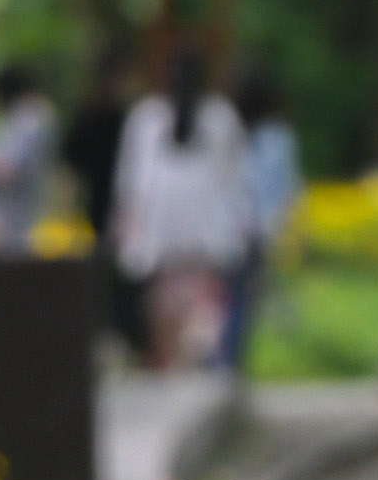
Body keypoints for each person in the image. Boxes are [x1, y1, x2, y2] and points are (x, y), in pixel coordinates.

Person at [114, 49, 253, 370]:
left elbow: (131, 181)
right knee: (202, 302)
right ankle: (195, 362)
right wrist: (241, 226)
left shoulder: (146, 116)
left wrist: (125, 229)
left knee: (163, 304)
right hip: (208, 230)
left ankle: (167, 365)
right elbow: (236, 180)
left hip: (158, 230)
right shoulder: (220, 115)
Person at [221, 68, 303, 376]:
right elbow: (288, 186)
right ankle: (231, 363)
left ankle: (221, 363)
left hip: (226, 229)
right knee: (241, 301)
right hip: (258, 229)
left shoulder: (224, 128)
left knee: (223, 300)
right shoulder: (278, 135)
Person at [62, 49, 145, 354]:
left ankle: (118, 338)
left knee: (116, 278)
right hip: (109, 208)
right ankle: (115, 337)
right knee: (113, 279)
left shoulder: (124, 116)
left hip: (118, 209)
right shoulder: (125, 118)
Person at [0, 61, 59, 255]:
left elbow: (8, 170)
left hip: (14, 229)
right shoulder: (31, 116)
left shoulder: (29, 118)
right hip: (16, 226)